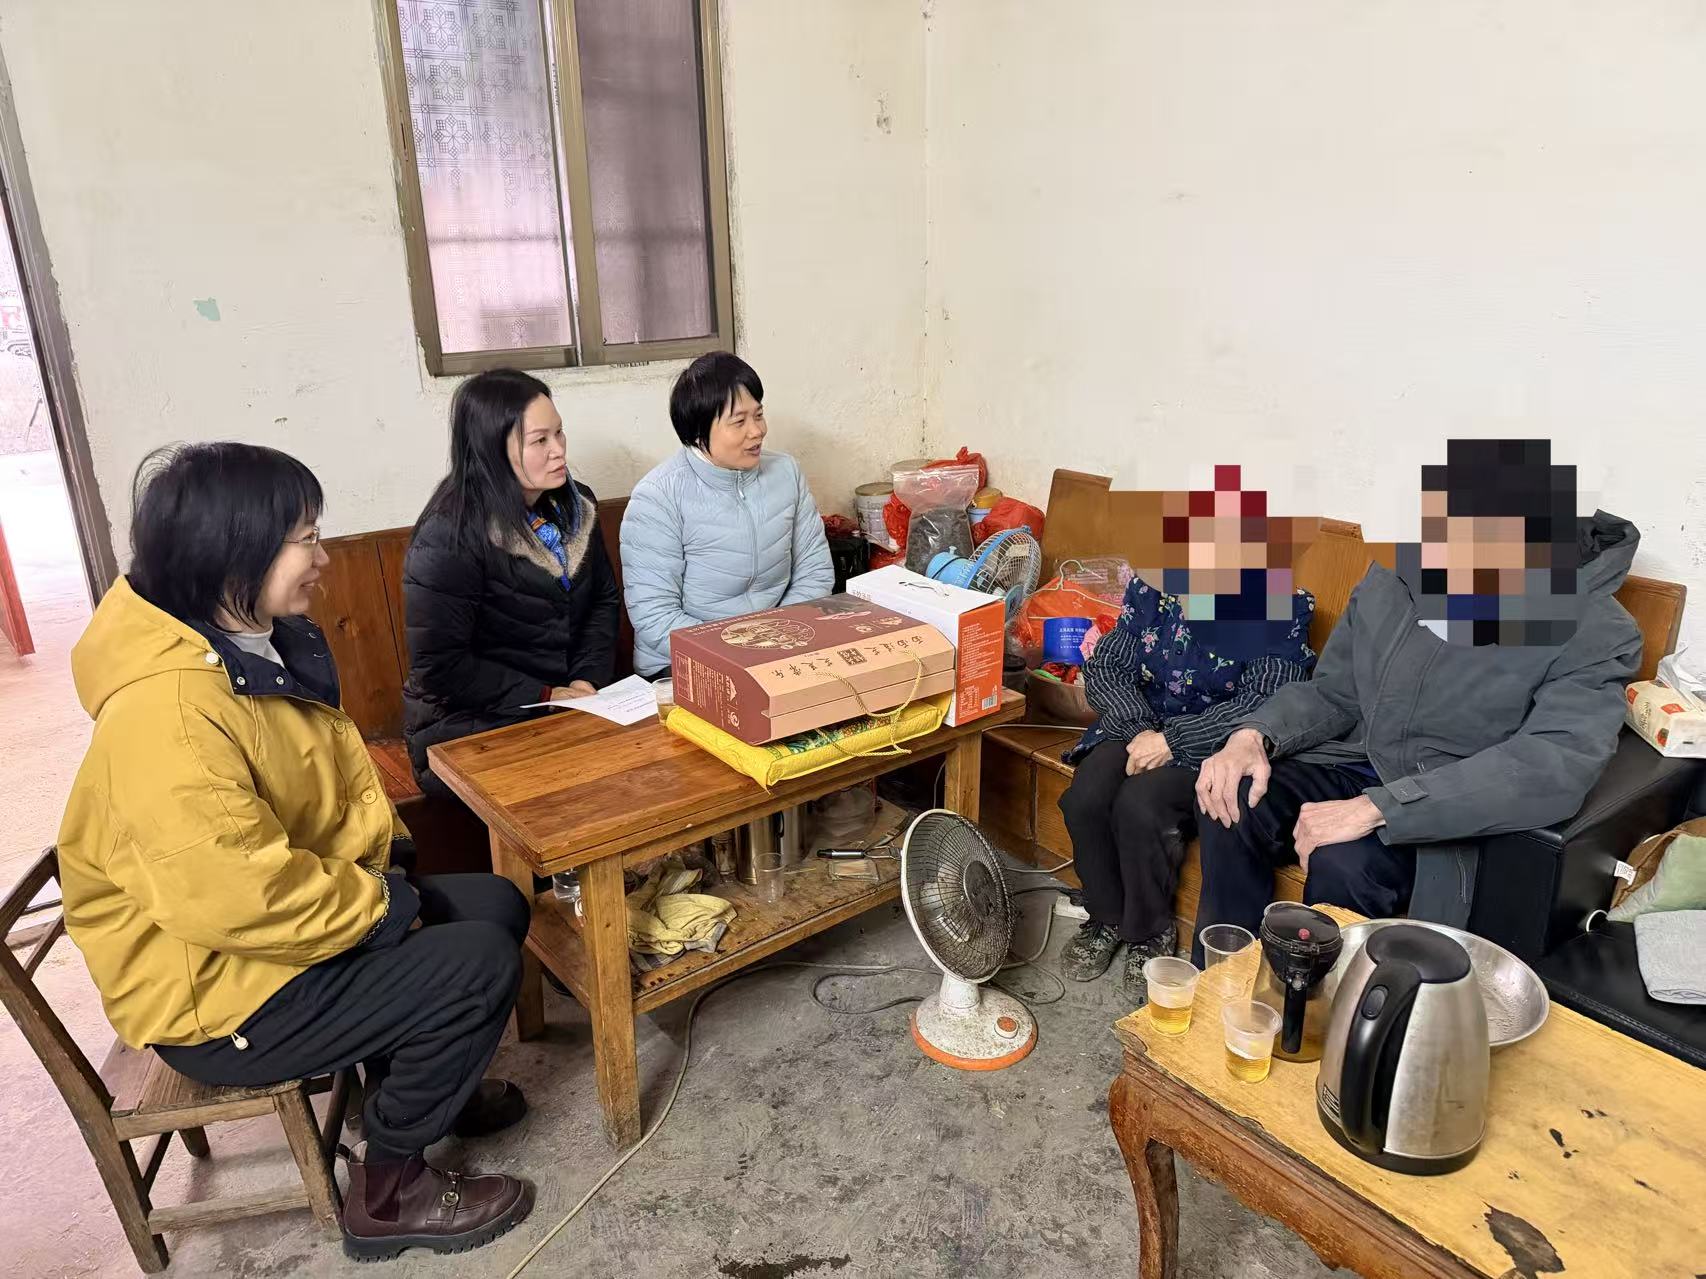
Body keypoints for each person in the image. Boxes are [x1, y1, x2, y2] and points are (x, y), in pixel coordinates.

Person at [56, 443, 535, 1261]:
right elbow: (239, 894)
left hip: (263, 939)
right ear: (231, 554)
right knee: (478, 964)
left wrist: (387, 886)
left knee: (496, 902)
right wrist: (385, 907)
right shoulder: (168, 715)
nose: (323, 557)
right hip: (218, 995)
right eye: (304, 538)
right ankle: (390, 1190)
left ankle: (420, 1089)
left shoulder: (238, 645)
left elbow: (312, 808)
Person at [1190, 439, 1643, 962]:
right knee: (1230, 794)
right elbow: (1336, 692)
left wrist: (1382, 807)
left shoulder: (1596, 629)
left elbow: (1552, 765)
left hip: (1445, 805)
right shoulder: (1396, 577)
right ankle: (1222, 976)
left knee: (1345, 863)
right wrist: (1255, 734)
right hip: (1358, 760)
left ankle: (1320, 1004)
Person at [1058, 470, 1316, 1002]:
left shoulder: (1278, 609)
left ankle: (1148, 930)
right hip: (1139, 726)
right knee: (1086, 795)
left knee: (1140, 806)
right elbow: (1107, 665)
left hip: (1216, 747)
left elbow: (1264, 704)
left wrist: (1173, 742)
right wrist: (1140, 731)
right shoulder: (1155, 591)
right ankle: (1106, 915)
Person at [404, 368, 621, 795]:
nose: (559, 451)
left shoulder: (577, 506)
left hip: (565, 702)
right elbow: (441, 668)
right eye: (540, 441)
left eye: (559, 433)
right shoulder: (449, 535)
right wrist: (546, 693)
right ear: (492, 450)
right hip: (467, 724)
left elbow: (603, 599)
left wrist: (585, 680)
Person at [620, 351, 834, 679]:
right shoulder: (658, 497)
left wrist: (780, 639)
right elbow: (655, 616)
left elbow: (815, 572)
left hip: (780, 649)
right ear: (698, 432)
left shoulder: (786, 472)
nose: (757, 431)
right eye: (739, 422)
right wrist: (742, 653)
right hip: (684, 661)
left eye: (758, 415)